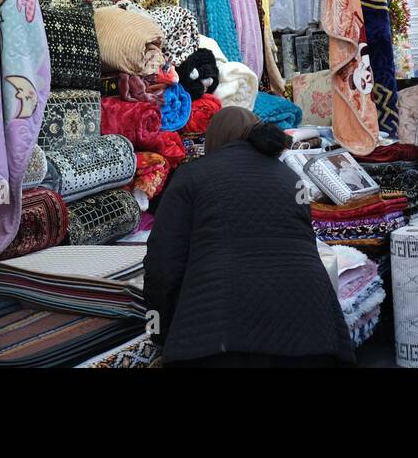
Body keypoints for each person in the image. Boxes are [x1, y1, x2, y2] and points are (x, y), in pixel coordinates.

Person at [143, 107, 354, 366]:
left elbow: (163, 263)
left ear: (213, 138)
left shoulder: (192, 176)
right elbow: (305, 245)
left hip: (220, 334)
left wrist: (159, 329)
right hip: (313, 326)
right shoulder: (290, 178)